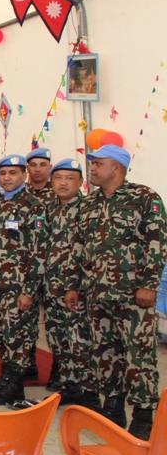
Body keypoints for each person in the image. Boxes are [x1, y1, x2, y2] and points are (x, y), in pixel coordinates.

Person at [66, 144, 165, 439]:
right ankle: (113, 406)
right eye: (92, 163)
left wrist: (149, 284)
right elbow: (79, 246)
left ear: (116, 168)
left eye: (98, 163)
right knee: (104, 352)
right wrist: (74, 285)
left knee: (139, 355)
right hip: (97, 294)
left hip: (133, 295)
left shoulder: (144, 198)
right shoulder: (89, 204)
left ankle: (144, 415)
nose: (92, 168)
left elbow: (157, 243)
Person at [0, 154, 49, 407]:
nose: (7, 178)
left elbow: (39, 251)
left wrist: (29, 290)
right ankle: (7, 376)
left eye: (13, 173)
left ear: (23, 175)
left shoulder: (33, 206)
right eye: (3, 173)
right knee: (0, 333)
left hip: (19, 286)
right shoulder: (0, 204)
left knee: (17, 336)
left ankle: (15, 387)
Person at [44, 158, 99, 410]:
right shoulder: (49, 209)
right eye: (58, 178)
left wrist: (75, 285)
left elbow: (91, 252)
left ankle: (89, 393)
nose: (63, 183)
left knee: (80, 341)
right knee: (58, 339)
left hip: (76, 289)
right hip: (51, 287)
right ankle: (70, 387)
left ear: (81, 182)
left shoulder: (89, 210)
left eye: (69, 178)